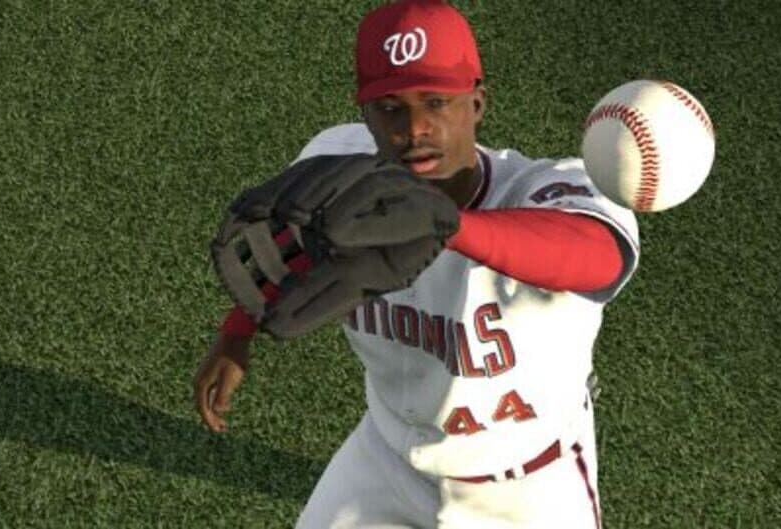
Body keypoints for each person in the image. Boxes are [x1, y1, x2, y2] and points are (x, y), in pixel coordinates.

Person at [193, 1, 639, 527]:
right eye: (390, 109)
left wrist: (448, 225)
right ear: (365, 115)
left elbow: (599, 257)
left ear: (477, 103)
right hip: (386, 460)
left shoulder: (544, 188)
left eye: (437, 102)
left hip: (528, 488)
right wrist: (237, 333)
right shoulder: (338, 172)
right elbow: (284, 249)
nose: (415, 128)